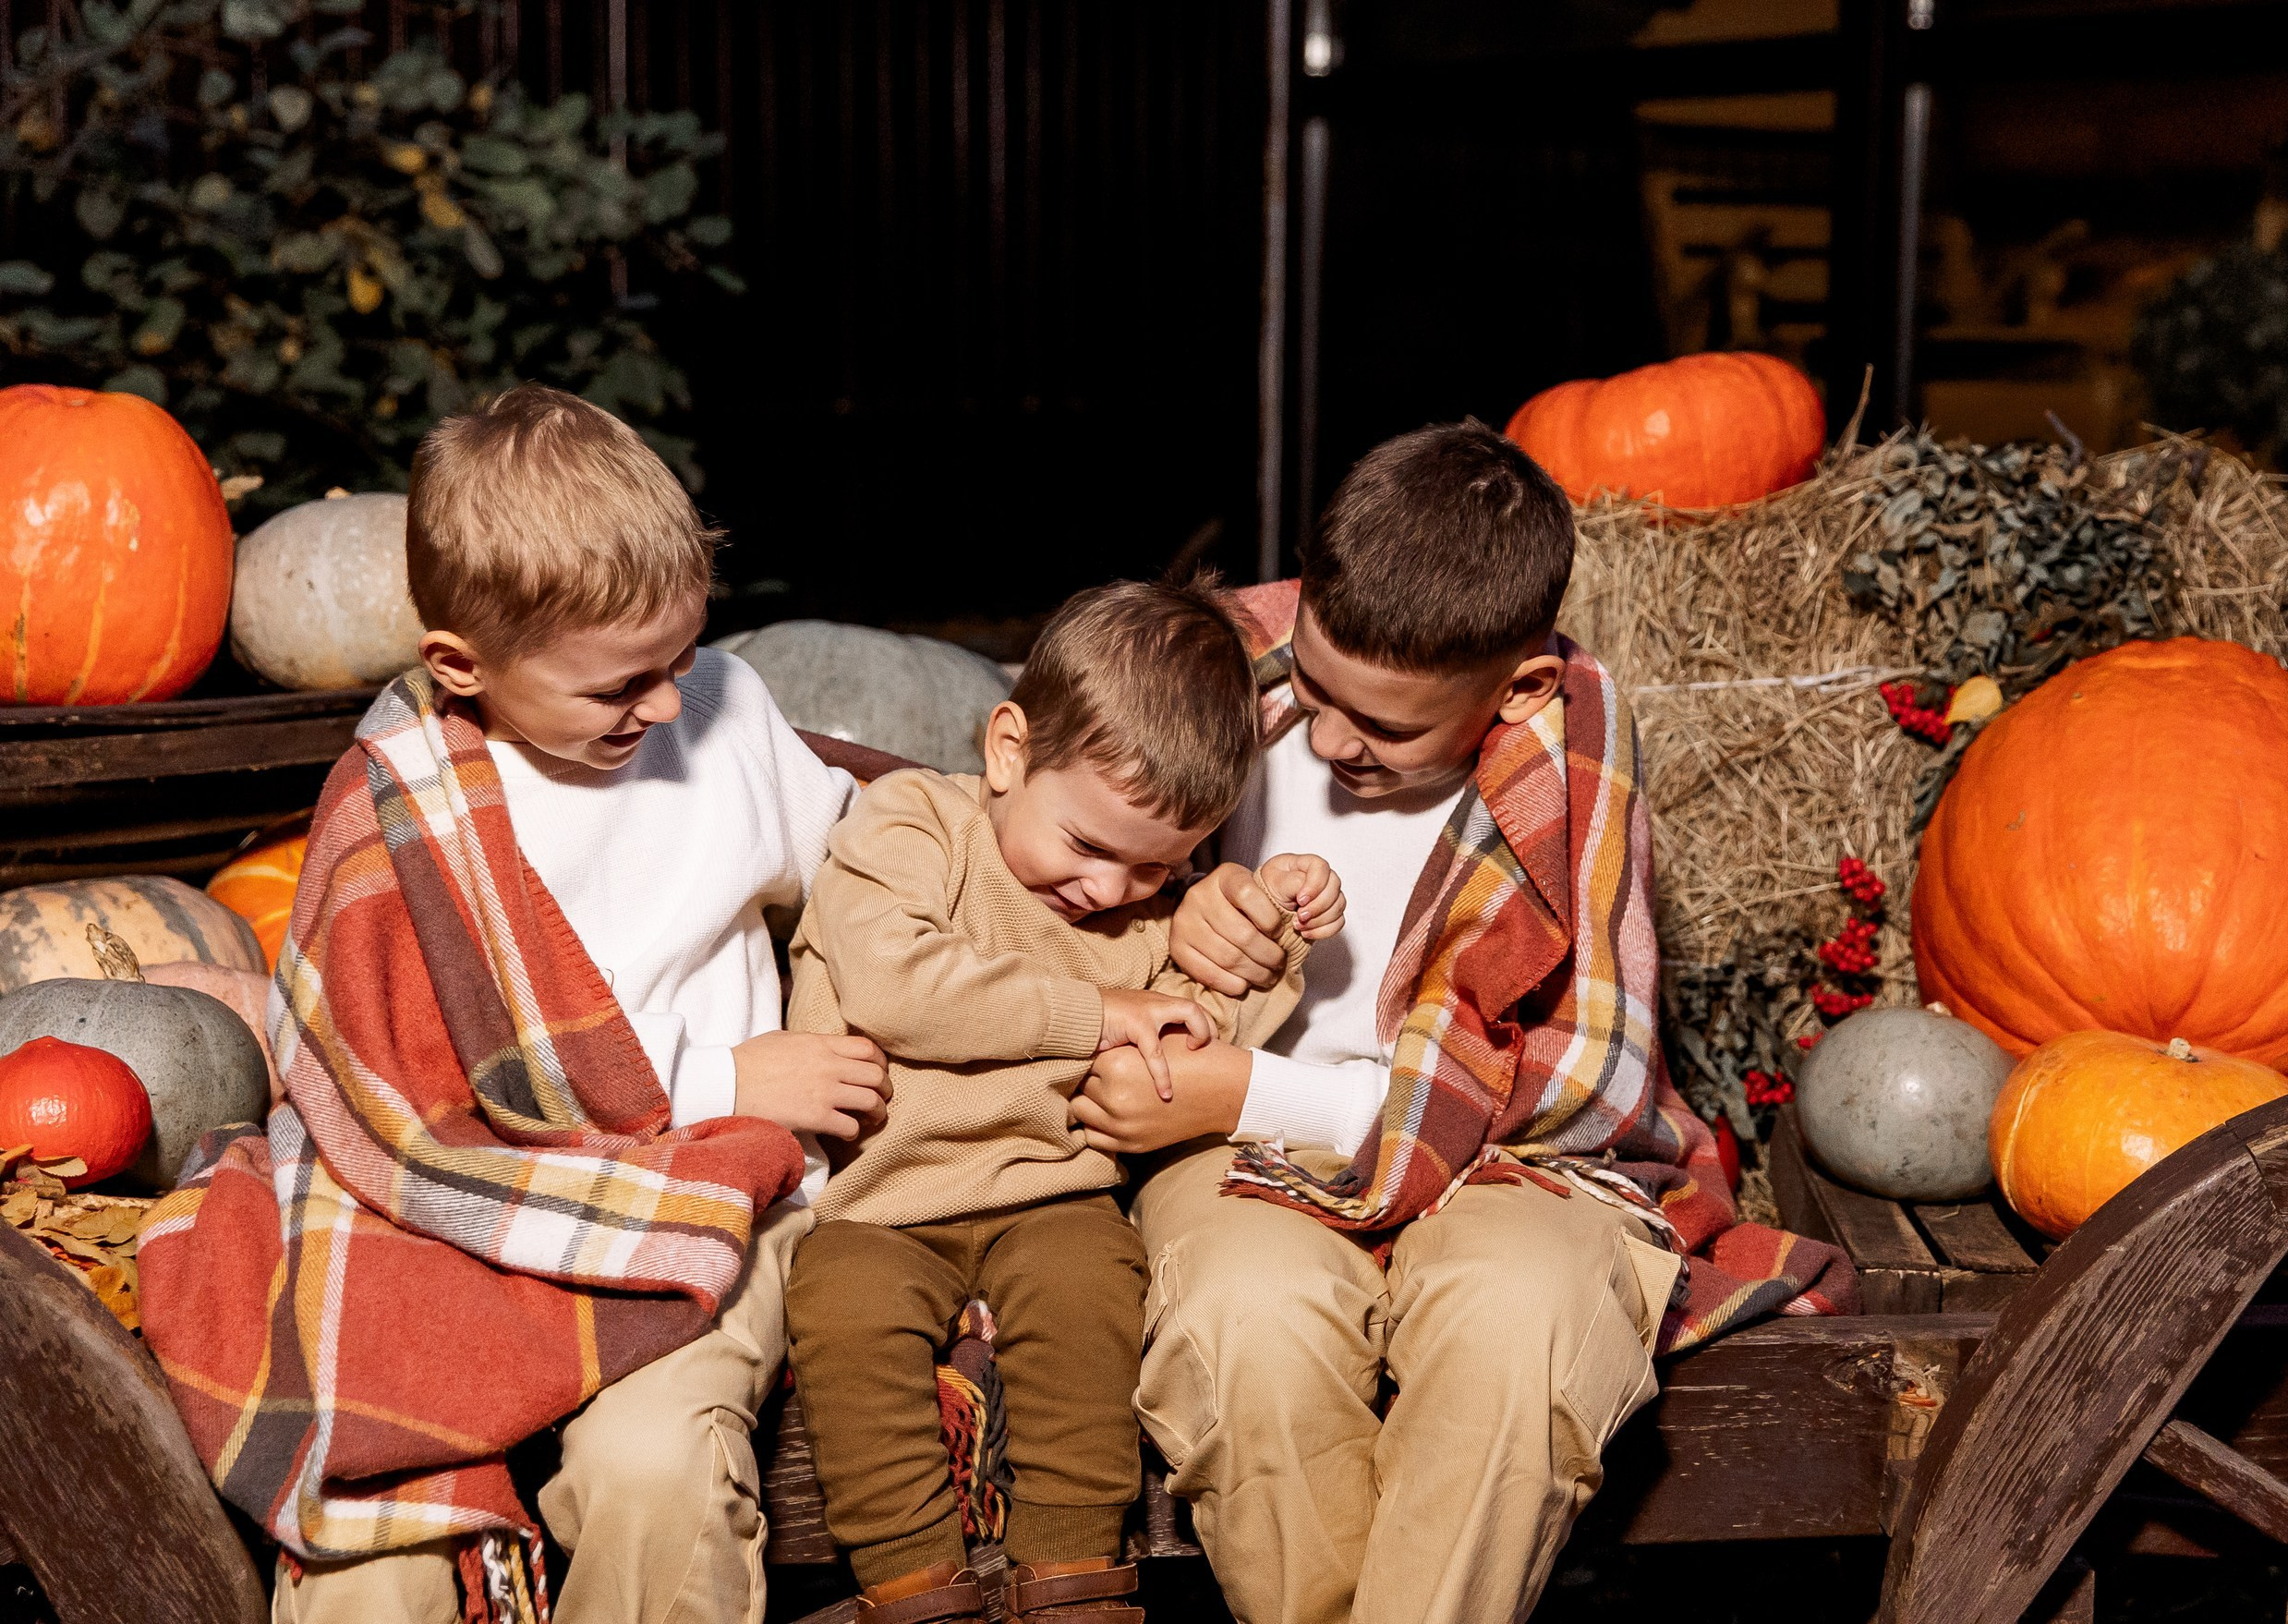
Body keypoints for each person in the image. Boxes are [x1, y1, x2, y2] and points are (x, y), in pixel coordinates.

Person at [1068, 422, 1859, 1624]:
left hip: (1505, 1157)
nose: (1331, 742)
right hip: (1238, 1149)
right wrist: (1179, 911)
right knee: (1245, 1324)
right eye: (1317, 689)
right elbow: (1050, 891)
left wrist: (1261, 1090)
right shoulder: (1212, 659)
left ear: (1519, 685)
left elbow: (1585, 1083)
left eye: (1382, 729)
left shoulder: (1572, 730)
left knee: (1523, 1321)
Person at [139, 384, 892, 1624]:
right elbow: (410, 1070)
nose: (663, 706)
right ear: (461, 665)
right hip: (467, 1194)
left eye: (682, 658)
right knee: (370, 1549)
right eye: (618, 688)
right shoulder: (401, 806)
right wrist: (726, 1073)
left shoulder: (724, 721)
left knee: (657, 1469)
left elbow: (870, 865)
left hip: (705, 1182)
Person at [781, 578, 1344, 1624]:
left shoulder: (1148, 912)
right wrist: (1093, 1011)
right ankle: (914, 1589)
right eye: (1087, 846)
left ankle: (1072, 1580)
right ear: (1008, 752)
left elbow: (1187, 1040)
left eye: (1158, 865)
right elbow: (896, 983)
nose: (1111, 891)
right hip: (877, 1198)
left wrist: (1266, 935)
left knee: (1093, 1293)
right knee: (845, 1315)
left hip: (1051, 1196)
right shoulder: (916, 828)